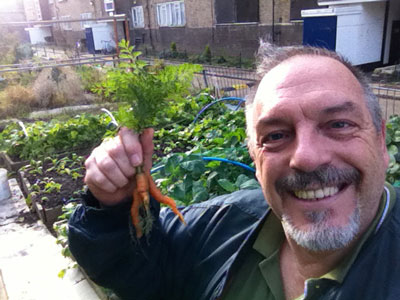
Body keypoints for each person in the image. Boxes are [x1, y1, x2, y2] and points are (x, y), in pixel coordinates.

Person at [68, 43, 400, 300]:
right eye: (276, 136)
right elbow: (137, 269)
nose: (307, 158)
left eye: (339, 124)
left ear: (381, 140)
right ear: (255, 159)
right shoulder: (222, 223)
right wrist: (114, 208)